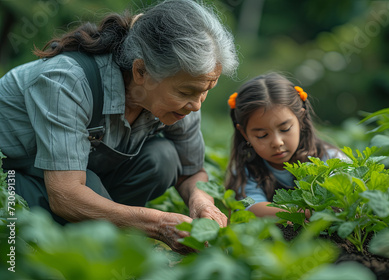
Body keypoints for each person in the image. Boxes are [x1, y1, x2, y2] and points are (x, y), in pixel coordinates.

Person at [0, 0, 238, 254]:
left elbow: (191, 172)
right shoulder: (68, 80)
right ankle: (88, 244)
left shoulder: (180, 99)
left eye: (205, 92)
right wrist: (158, 224)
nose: (197, 105)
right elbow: (66, 194)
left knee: (163, 158)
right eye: (187, 91)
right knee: (85, 186)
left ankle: (100, 234)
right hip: (17, 178)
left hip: (80, 178)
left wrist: (202, 202)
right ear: (141, 71)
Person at [225, 72, 348, 217]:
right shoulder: (246, 171)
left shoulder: (331, 159)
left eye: (285, 129)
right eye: (262, 135)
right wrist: (308, 212)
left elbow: (346, 199)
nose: (277, 142)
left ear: (301, 119)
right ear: (244, 133)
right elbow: (250, 206)